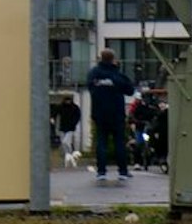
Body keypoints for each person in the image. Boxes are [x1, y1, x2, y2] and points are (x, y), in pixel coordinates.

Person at [84, 48, 135, 182]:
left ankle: (101, 172)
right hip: (117, 112)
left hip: (99, 112)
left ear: (100, 58)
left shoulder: (94, 73)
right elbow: (130, 90)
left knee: (102, 142)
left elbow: (89, 86)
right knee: (119, 142)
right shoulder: (117, 74)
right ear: (113, 59)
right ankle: (122, 171)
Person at [53, 93, 82, 163]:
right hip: (62, 127)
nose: (67, 102)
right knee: (65, 143)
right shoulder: (61, 107)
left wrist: (74, 123)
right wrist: (52, 118)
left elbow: (78, 116)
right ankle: (68, 154)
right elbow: (55, 112)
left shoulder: (74, 107)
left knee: (65, 141)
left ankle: (70, 152)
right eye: (66, 101)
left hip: (70, 128)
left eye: (68, 101)